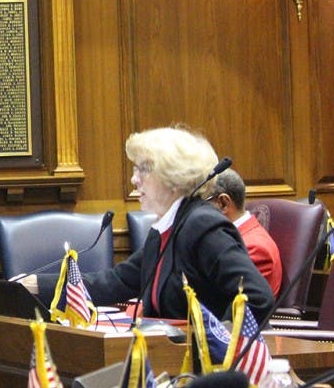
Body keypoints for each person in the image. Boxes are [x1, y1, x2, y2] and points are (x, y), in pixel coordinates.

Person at [19, 125, 274, 324]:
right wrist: (36, 285)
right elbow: (115, 282)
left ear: (173, 176)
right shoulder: (168, 228)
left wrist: (217, 343)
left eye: (143, 170)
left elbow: (256, 296)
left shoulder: (203, 226)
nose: (133, 179)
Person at [205, 168, 283, 296]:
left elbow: (230, 305)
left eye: (201, 204)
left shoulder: (255, 249)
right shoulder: (226, 239)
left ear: (223, 203)